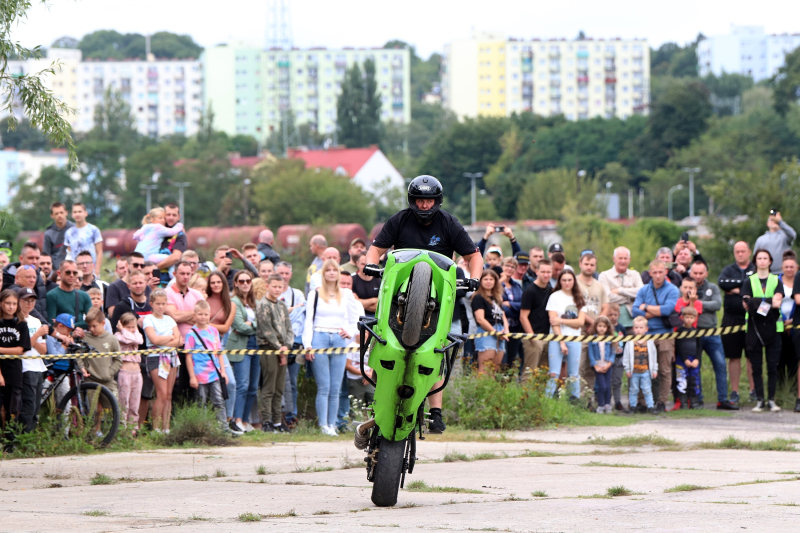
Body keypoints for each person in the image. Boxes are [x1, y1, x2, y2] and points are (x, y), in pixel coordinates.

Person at [365, 175, 483, 434]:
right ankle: (377, 401)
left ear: (437, 202)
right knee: (382, 339)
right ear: (412, 201)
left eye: (429, 201)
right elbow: (375, 250)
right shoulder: (399, 220)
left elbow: (474, 256)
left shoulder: (449, 223)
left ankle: (435, 411)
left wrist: (475, 278)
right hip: (397, 298)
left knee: (436, 348)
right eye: (420, 200)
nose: (424, 206)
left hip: (437, 301)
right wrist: (371, 263)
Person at [302, 259, 361, 435]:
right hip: (319, 337)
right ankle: (323, 425)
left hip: (338, 339)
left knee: (336, 386)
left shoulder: (346, 294)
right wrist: (308, 345)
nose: (331, 273)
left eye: (334, 270)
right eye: (327, 270)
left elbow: (356, 318)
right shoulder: (315, 294)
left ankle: (333, 425)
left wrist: (350, 332)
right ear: (323, 273)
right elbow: (309, 321)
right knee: (324, 386)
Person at [632, 260, 679, 413]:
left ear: (665, 272)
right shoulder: (643, 290)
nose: (658, 275)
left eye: (661, 272)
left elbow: (667, 310)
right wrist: (654, 312)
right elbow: (634, 310)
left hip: (665, 334)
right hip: (646, 335)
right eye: (655, 272)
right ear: (650, 273)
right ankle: (642, 402)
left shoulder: (672, 289)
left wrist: (645, 307)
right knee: (642, 367)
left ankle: (662, 402)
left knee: (664, 370)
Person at [108, 270, 154, 425]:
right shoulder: (122, 306)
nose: (138, 286)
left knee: (145, 394)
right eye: (135, 283)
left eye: (141, 282)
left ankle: (138, 427)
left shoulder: (151, 304)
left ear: (146, 283)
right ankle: (122, 428)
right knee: (125, 397)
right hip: (128, 358)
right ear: (129, 286)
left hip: (150, 352)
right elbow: (115, 330)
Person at [689, 261, 736, 410]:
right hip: (694, 333)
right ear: (691, 273)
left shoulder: (713, 287)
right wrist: (699, 304)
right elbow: (684, 306)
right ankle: (698, 399)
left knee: (721, 365)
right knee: (696, 367)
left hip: (712, 333)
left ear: (706, 273)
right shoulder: (687, 287)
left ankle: (723, 399)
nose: (697, 276)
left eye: (700, 273)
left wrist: (696, 304)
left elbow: (717, 305)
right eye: (695, 273)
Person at [742, 249, 784, 412]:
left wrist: (756, 303)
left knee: (772, 366)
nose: (762, 261)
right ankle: (759, 399)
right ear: (755, 261)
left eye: (765, 258)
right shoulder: (749, 280)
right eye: (759, 258)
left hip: (774, 328)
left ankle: (772, 399)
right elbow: (746, 304)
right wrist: (767, 303)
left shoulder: (776, 280)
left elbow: (778, 303)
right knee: (756, 366)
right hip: (754, 328)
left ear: (770, 261)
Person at [184, 300, 234, 432]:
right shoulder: (191, 334)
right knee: (201, 402)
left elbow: (219, 353)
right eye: (200, 314)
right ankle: (203, 428)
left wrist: (223, 371)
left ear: (210, 315)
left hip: (214, 373)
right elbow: (188, 357)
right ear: (194, 315)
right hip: (199, 374)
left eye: (206, 314)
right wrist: (192, 377)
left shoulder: (214, 331)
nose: (203, 317)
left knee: (219, 400)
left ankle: (223, 427)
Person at [718, 241, 756, 406]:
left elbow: (756, 287)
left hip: (752, 318)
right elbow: (722, 283)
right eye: (737, 251)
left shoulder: (755, 268)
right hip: (731, 319)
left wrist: (736, 289)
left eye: (743, 251)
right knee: (733, 356)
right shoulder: (728, 269)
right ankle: (734, 392)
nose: (740, 254)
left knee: (751, 356)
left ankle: (754, 391)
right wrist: (744, 288)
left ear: (749, 252)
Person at [256, 274, 293, 433]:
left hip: (282, 350)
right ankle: (267, 421)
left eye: (280, 287)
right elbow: (267, 331)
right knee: (269, 387)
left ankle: (278, 421)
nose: (277, 289)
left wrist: (287, 346)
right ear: (267, 286)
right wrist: (279, 348)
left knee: (279, 388)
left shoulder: (282, 305)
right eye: (274, 286)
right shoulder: (263, 305)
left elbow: (289, 329)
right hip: (269, 349)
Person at [165, 261, 206, 403]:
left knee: (194, 386)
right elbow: (173, 316)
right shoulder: (167, 293)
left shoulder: (196, 294)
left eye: (188, 273)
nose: (185, 277)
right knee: (178, 386)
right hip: (178, 344)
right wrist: (194, 314)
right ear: (174, 274)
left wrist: (183, 316)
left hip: (196, 345)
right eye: (182, 273)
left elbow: (204, 319)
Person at [143, 289, 182, 432]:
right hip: (156, 357)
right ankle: (157, 428)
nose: (161, 307)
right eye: (158, 304)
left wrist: (164, 341)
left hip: (171, 357)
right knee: (162, 393)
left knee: (169, 395)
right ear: (152, 304)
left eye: (163, 304)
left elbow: (179, 340)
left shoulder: (170, 319)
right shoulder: (148, 319)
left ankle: (166, 428)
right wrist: (170, 338)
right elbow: (153, 340)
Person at [545, 269, 587, 400]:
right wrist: (561, 342)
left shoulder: (579, 297)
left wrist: (562, 320)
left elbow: (580, 322)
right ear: (559, 281)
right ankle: (548, 400)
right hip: (557, 338)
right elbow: (553, 322)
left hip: (574, 338)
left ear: (574, 281)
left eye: (570, 280)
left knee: (574, 374)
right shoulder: (554, 296)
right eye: (564, 280)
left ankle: (574, 400)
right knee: (554, 373)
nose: (567, 283)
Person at [226, 269, 259, 434]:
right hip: (241, 346)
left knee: (253, 386)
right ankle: (237, 419)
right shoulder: (234, 301)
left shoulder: (255, 302)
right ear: (236, 284)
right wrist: (254, 325)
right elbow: (239, 326)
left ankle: (246, 421)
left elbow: (263, 323)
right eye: (241, 281)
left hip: (256, 346)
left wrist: (250, 325)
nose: (245, 283)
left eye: (248, 280)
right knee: (242, 384)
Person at [576, 253, 609, 406]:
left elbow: (605, 306)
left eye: (592, 265)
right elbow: (574, 307)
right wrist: (591, 323)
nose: (589, 267)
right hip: (579, 331)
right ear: (580, 264)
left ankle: (589, 401)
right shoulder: (574, 283)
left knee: (591, 368)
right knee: (579, 367)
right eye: (586, 264)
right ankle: (578, 400)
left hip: (596, 334)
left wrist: (597, 325)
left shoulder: (599, 285)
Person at [204, 271, 237, 419]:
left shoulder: (231, 303)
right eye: (213, 283)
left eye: (219, 282)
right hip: (203, 345)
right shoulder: (204, 300)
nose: (216, 285)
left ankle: (228, 419)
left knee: (230, 383)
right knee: (206, 386)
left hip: (220, 345)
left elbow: (225, 328)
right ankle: (209, 420)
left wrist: (206, 324)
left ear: (224, 283)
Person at [276, 261, 304, 426]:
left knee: (292, 381)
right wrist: (292, 310)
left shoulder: (297, 293)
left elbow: (301, 315)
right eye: (281, 273)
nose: (284, 277)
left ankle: (291, 415)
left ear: (291, 275)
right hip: (275, 343)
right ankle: (276, 415)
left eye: (286, 273)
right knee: (275, 381)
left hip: (294, 343)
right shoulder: (270, 293)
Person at [0, 289, 31, 437]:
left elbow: (21, 349)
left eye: (14, 303)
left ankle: (11, 440)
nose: (11, 307)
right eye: (7, 303)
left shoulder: (21, 324)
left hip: (14, 369)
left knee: (12, 406)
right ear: (1, 304)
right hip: (1, 368)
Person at [17, 287, 48, 433]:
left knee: (36, 405)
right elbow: (23, 347)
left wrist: (32, 339)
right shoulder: (17, 320)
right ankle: (23, 436)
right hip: (25, 366)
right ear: (19, 301)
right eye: (26, 300)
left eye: (32, 300)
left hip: (38, 366)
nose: (30, 304)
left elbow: (43, 350)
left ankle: (31, 435)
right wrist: (35, 336)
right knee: (27, 405)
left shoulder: (36, 321)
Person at [519, 259, 553, 381]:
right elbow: (523, 316)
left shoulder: (550, 289)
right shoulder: (530, 291)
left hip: (547, 337)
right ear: (537, 271)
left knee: (543, 374)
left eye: (548, 272)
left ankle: (539, 400)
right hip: (533, 337)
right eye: (543, 271)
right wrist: (532, 337)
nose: (546, 275)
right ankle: (525, 399)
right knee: (530, 372)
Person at [471, 269, 509, 374]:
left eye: (491, 279)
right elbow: (480, 319)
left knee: (495, 369)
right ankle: (480, 390)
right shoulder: (478, 297)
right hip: (486, 332)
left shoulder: (497, 298)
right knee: (485, 369)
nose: (488, 281)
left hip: (500, 331)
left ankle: (491, 390)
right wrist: (495, 333)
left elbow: (503, 316)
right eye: (485, 279)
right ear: (481, 281)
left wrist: (506, 330)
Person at [79, 308, 122, 399]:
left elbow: (118, 359)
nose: (91, 329)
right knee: (91, 411)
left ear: (103, 323)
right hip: (90, 380)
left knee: (113, 410)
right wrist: (82, 367)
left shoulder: (112, 339)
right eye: (89, 326)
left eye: (94, 326)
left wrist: (109, 373)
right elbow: (78, 355)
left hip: (108, 381)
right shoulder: (85, 338)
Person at [598, 246, 642, 329]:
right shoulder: (604, 276)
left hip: (634, 325)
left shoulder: (635, 274)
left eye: (625, 258)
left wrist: (620, 290)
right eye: (620, 258)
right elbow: (607, 297)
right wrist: (631, 298)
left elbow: (641, 292)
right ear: (614, 259)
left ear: (629, 259)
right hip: (611, 325)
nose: (623, 261)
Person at [114, 312, 144, 432]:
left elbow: (139, 341)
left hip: (137, 373)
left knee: (135, 404)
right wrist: (122, 330)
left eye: (133, 327)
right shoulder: (118, 335)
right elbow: (129, 340)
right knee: (124, 403)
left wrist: (135, 330)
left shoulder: (137, 335)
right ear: (121, 325)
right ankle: (122, 429)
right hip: (125, 372)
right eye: (128, 327)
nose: (131, 330)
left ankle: (133, 430)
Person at [3, 242, 47, 320]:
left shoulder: (39, 275)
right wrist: (51, 329)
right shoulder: (6, 278)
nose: (35, 262)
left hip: (40, 325)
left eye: (37, 258)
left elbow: (42, 306)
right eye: (30, 258)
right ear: (21, 259)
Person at [777, 253, 799, 410]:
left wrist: (792, 320)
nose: (789, 269)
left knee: (794, 359)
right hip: (778, 324)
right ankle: (778, 391)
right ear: (782, 268)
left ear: (796, 268)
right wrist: (782, 319)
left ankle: (792, 391)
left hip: (795, 324)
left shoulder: (798, 281)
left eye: (792, 267)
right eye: (786, 267)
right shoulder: (777, 281)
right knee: (778, 359)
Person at [623, 316, 658, 415]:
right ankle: (633, 407)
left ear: (646, 329)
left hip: (646, 371)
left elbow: (654, 357)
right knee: (633, 389)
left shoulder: (650, 342)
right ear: (633, 329)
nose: (638, 330)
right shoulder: (630, 342)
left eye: (641, 327)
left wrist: (654, 370)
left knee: (647, 389)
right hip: (634, 371)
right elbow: (626, 357)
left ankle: (650, 406)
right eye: (636, 327)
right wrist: (628, 369)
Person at [46, 260, 92, 331]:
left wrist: (72, 326)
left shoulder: (84, 295)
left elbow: (92, 321)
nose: (71, 275)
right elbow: (52, 325)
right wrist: (73, 331)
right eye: (68, 272)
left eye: (75, 273)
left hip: (82, 336)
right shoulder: (52, 295)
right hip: (61, 339)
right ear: (59, 273)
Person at [64, 202, 103, 276]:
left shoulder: (94, 230)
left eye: (79, 211)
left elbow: (99, 252)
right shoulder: (69, 233)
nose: (77, 214)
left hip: (91, 270)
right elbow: (69, 253)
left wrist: (97, 270)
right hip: (76, 271)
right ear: (72, 215)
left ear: (85, 213)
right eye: (75, 212)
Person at [675, 307, 702, 410]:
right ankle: (683, 402)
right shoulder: (680, 330)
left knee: (694, 380)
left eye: (691, 317)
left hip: (694, 359)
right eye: (687, 317)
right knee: (682, 380)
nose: (689, 319)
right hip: (682, 360)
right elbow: (679, 346)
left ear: (695, 318)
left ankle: (694, 402)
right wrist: (685, 359)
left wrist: (697, 359)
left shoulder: (696, 331)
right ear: (682, 318)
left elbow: (699, 346)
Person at [155, 203, 188, 285]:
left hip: (168, 281)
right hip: (153, 279)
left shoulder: (180, 235)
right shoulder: (156, 231)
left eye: (174, 215)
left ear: (179, 217)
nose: (171, 217)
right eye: (168, 214)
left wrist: (155, 268)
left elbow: (175, 257)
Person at [499, 257, 522, 372]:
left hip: (515, 326)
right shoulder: (496, 283)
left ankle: (509, 383)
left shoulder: (517, 286)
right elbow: (498, 305)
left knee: (512, 359)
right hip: (501, 326)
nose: (510, 268)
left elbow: (522, 305)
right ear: (502, 266)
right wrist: (513, 308)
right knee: (502, 359)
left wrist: (510, 304)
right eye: (507, 265)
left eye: (513, 267)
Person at [588, 316, 614, 414]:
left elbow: (613, 353)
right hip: (598, 367)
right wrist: (595, 366)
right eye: (599, 326)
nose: (602, 328)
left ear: (607, 328)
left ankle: (607, 405)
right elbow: (590, 354)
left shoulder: (610, 339)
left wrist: (608, 365)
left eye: (604, 326)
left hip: (607, 366)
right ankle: (600, 405)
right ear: (596, 327)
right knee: (602, 386)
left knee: (607, 386)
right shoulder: (593, 339)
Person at [606, 303, 627, 411]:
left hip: (619, 357)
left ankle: (618, 402)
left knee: (617, 381)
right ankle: (607, 402)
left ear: (619, 314)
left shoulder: (621, 328)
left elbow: (626, 342)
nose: (613, 317)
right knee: (608, 381)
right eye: (610, 315)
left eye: (615, 314)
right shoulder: (605, 329)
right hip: (608, 358)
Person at [43, 202, 74, 270]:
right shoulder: (49, 233)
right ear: (52, 215)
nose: (59, 215)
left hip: (74, 267)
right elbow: (46, 256)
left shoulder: (74, 229)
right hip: (56, 270)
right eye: (56, 213)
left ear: (66, 212)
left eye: (61, 212)